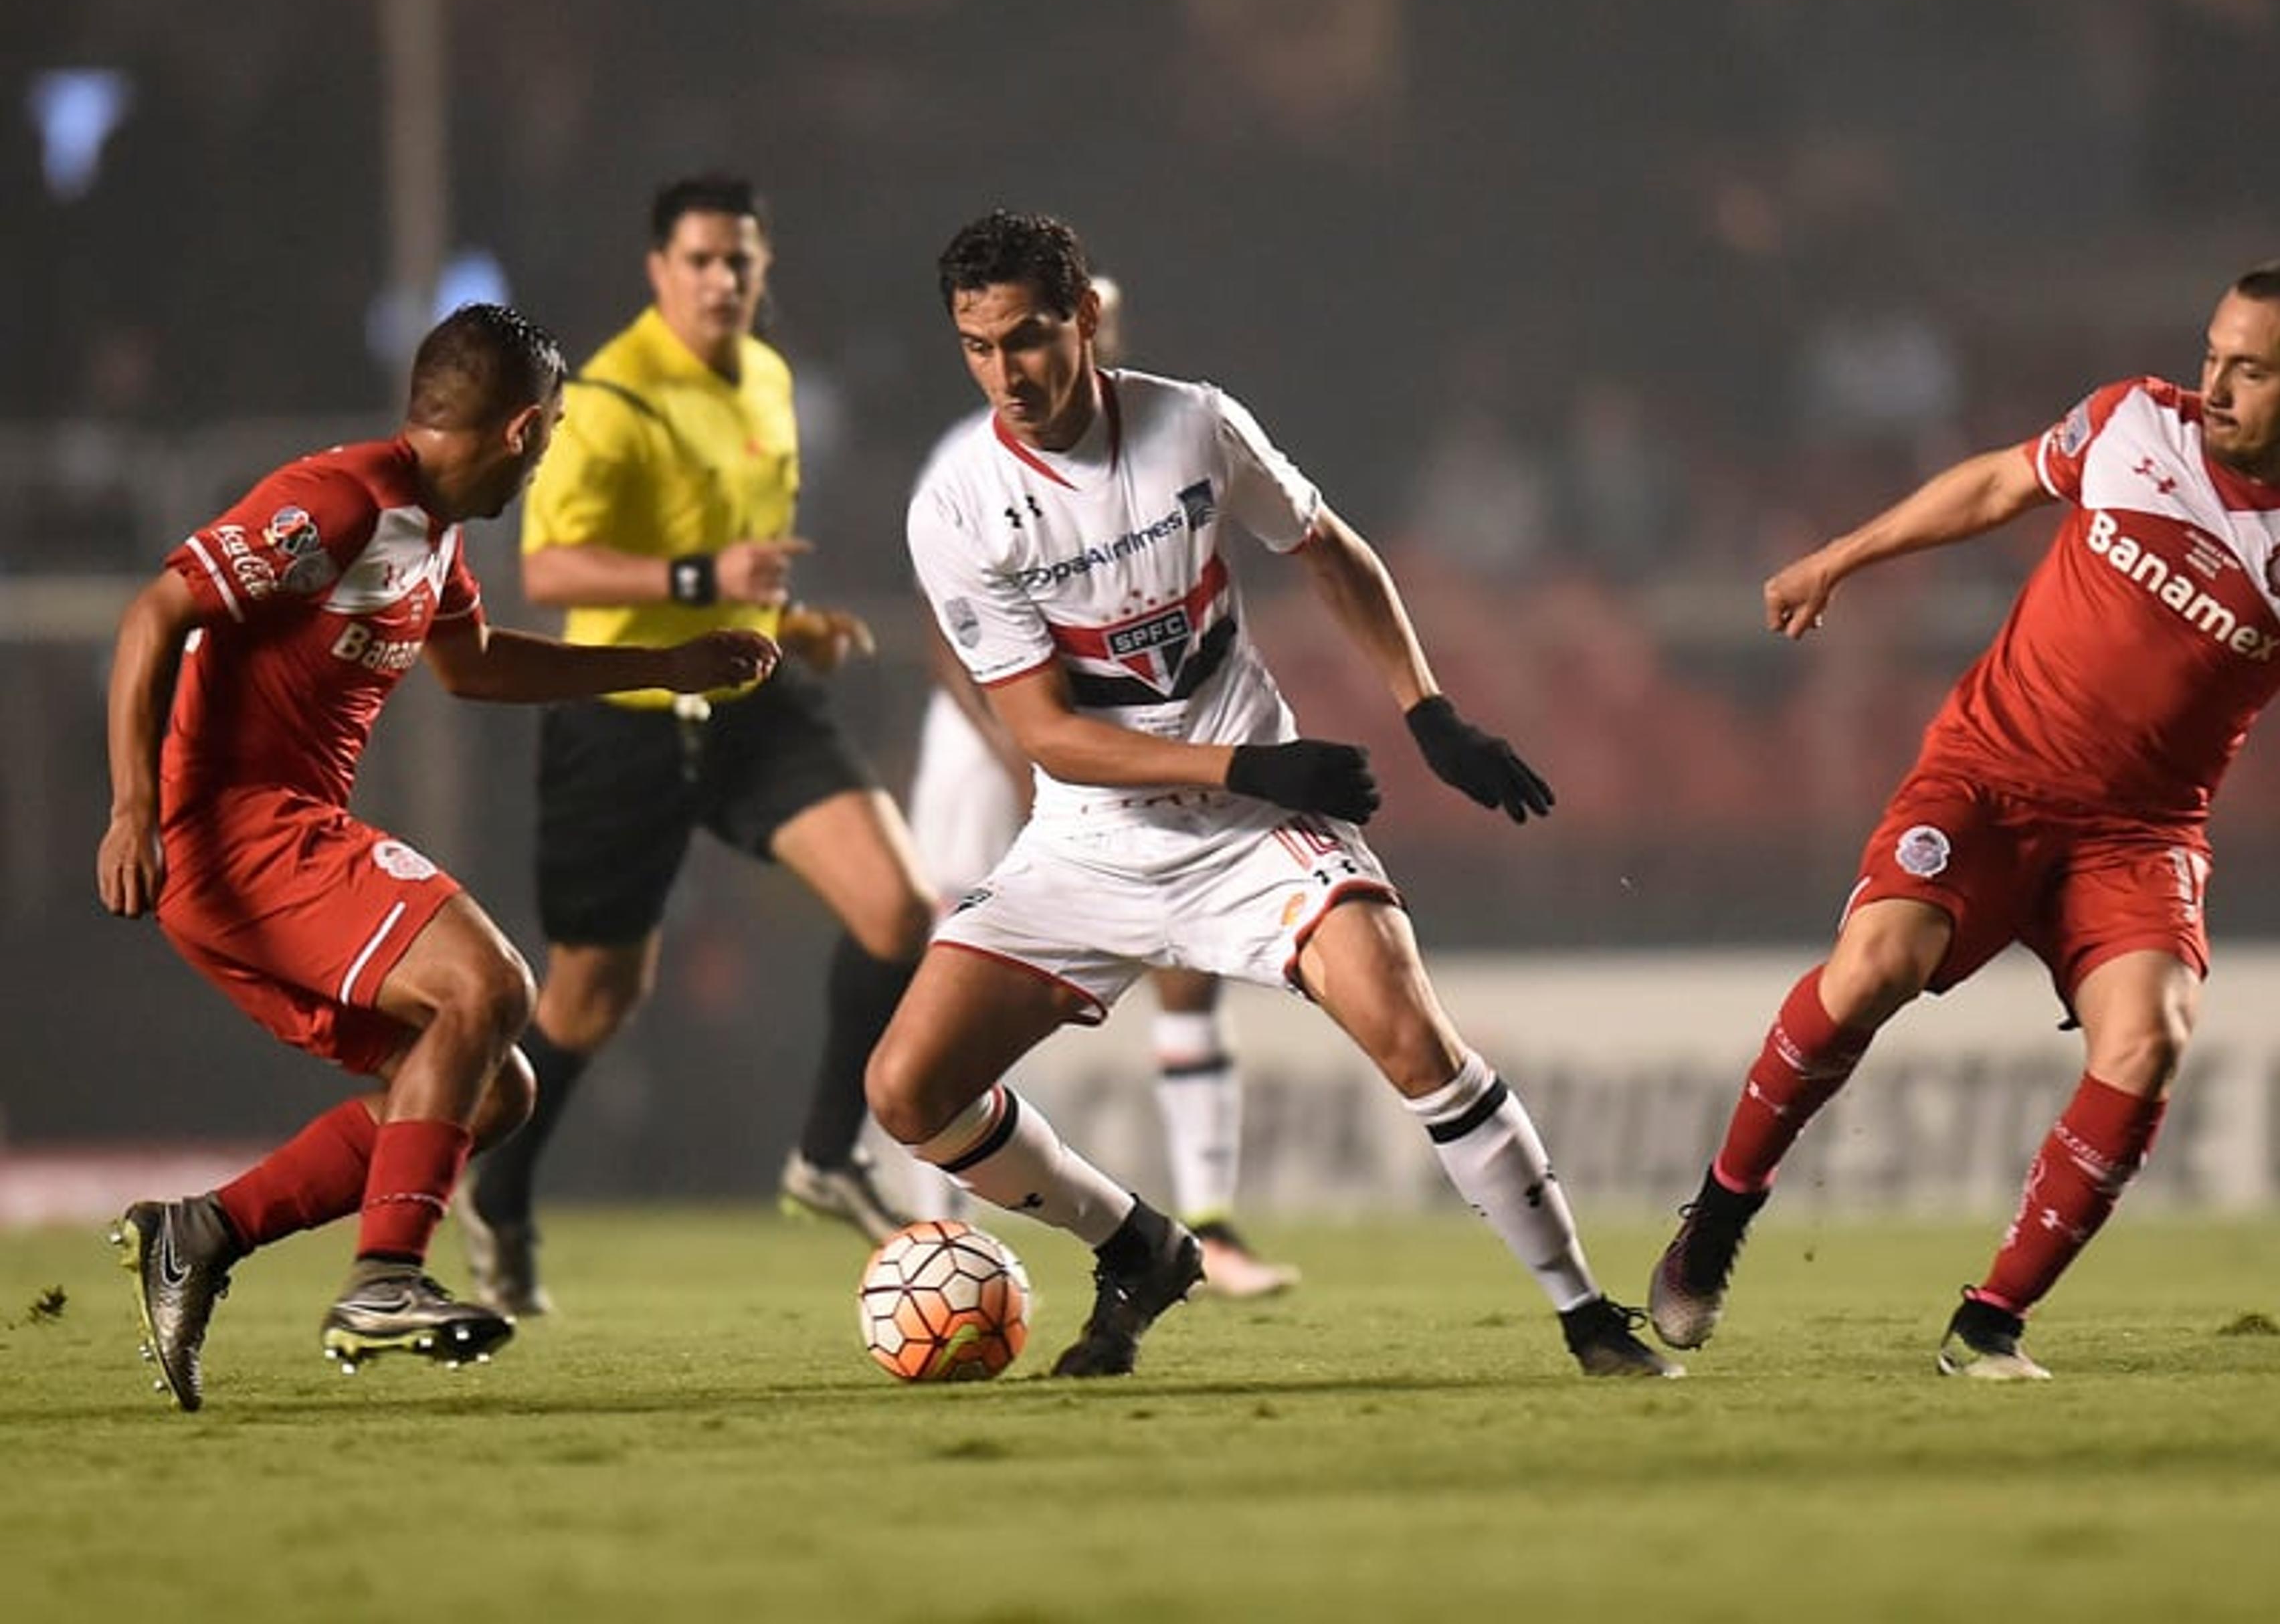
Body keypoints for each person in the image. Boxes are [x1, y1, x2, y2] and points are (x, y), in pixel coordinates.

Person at [882, 208, 1674, 1380]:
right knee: (909, 1089)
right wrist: (1246, 765)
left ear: (1085, 319)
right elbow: (1051, 738)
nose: (1009, 373)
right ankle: (1137, 1244)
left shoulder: (1192, 425)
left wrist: (1427, 710)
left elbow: (1330, 549)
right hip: (1095, 838)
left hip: (1257, 831)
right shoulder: (955, 507)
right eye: (978, 347)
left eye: (1031, 337)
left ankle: (1587, 1314)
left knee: (1412, 1035)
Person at [1649, 262, 2280, 1379]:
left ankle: (1989, 1326)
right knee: (1876, 964)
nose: (2215, 385)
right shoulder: (2131, 423)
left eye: (2250, 370)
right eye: (2212, 354)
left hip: (2141, 833)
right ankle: (1720, 1217)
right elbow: (1994, 486)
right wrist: (1841, 556)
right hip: (1989, 776)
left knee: (2152, 1035)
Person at [98, 304, 779, 1411]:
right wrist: (134, 809)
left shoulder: (428, 527)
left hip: (269, 845)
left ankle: (201, 1234)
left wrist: (668, 665)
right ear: (521, 429)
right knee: (490, 985)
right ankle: (383, 1281)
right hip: (236, 833)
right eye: (552, 432)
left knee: (490, 1090)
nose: (551, 452)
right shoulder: (339, 500)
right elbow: (154, 613)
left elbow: (475, 668)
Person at [456, 173, 937, 1316]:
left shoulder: (770, 379)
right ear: (658, 270)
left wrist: (788, 619)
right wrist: (700, 581)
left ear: (764, 269)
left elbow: (745, 550)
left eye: (741, 260)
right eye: (702, 260)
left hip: (754, 701)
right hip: (623, 717)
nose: (724, 279)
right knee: (594, 994)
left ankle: (825, 1155)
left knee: (901, 909)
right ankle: (501, 1187)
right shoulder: (612, 397)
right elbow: (549, 570)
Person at [906, 274, 1299, 1299]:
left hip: (1118, 749)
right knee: (960, 968)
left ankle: (1210, 1225)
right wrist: (1017, 751)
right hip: (998, 741)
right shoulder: (968, 474)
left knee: (1186, 969)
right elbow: (950, 644)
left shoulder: (1164, 429)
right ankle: (936, 1220)